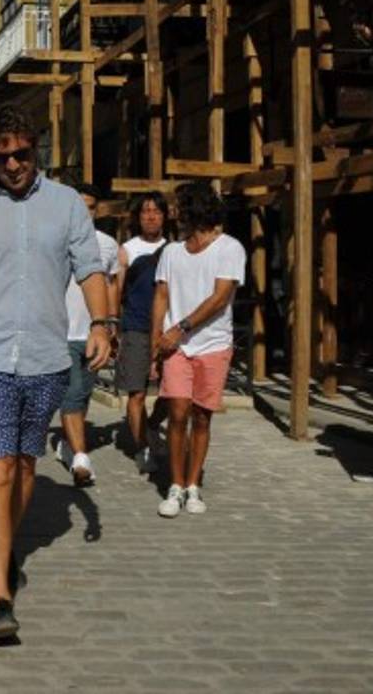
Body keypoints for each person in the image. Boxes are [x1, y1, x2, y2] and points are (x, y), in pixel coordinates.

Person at [0, 104, 109, 642]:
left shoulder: (65, 205)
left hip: (46, 360)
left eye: (21, 153)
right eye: (2, 156)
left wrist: (102, 324)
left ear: (35, 149)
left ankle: (6, 544)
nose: (12, 164)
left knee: (24, 466)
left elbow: (89, 268)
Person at [150, 182, 246, 519]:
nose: (172, 211)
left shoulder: (229, 248)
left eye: (178, 205)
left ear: (195, 207)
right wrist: (155, 343)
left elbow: (220, 298)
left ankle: (193, 484)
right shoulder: (172, 252)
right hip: (176, 348)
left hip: (213, 345)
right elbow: (160, 296)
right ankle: (175, 485)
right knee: (177, 413)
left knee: (202, 417)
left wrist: (181, 328)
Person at [56, 183, 119, 486]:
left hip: (94, 331)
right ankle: (81, 458)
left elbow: (111, 285)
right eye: (79, 205)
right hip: (62, 332)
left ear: (97, 210)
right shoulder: (56, 240)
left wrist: (110, 323)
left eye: (90, 207)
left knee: (83, 393)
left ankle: (68, 445)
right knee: (71, 392)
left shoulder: (107, 244)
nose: (84, 212)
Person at [114, 191, 170, 473]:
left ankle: (149, 426)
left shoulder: (174, 249)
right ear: (138, 217)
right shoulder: (128, 250)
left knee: (173, 395)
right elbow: (118, 290)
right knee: (136, 394)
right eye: (146, 211)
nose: (151, 216)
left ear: (164, 216)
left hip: (168, 330)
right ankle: (142, 448)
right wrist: (113, 324)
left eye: (156, 212)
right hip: (136, 327)